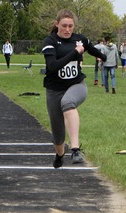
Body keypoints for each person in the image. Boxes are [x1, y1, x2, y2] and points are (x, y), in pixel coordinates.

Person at [42, 9, 106, 168]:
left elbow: (93, 50)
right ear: (57, 24)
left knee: (68, 102)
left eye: (71, 26)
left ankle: (76, 150)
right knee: (58, 135)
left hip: (77, 85)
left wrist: (103, 57)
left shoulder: (80, 39)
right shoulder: (49, 41)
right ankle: (60, 154)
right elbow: (52, 67)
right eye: (64, 25)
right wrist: (74, 53)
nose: (67, 29)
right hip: (54, 90)